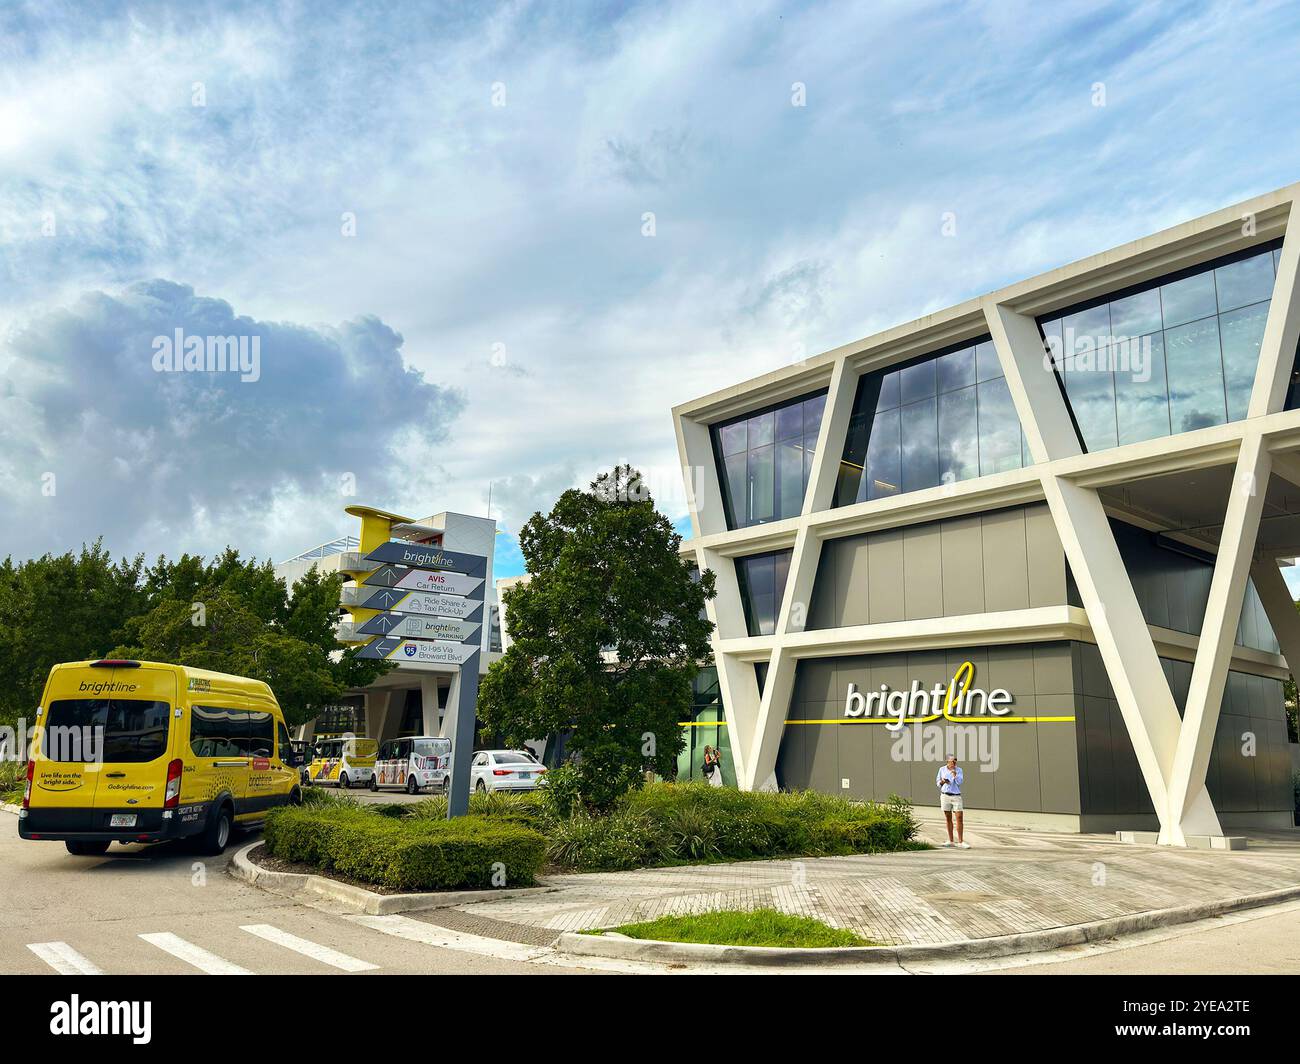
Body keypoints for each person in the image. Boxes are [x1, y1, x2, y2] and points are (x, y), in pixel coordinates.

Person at [936, 754, 969, 848]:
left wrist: (955, 775)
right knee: (948, 818)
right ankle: (951, 841)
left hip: (956, 796)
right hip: (945, 795)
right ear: (947, 761)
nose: (954, 762)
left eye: (955, 760)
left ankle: (961, 841)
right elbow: (938, 783)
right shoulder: (941, 769)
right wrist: (942, 781)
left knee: (959, 817)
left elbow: (960, 782)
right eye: (952, 761)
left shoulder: (959, 770)